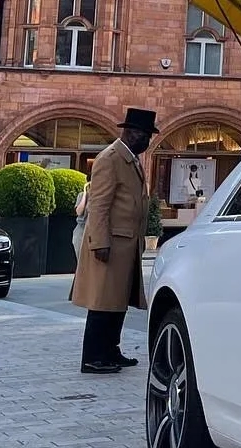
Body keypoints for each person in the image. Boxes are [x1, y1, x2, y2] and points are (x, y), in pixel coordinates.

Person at [70, 107, 157, 374]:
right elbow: (100, 205)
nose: (147, 141)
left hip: (126, 243)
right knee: (102, 302)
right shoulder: (110, 158)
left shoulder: (129, 158)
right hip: (111, 243)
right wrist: (100, 242)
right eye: (145, 135)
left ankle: (111, 350)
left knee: (117, 301)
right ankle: (93, 357)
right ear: (131, 133)